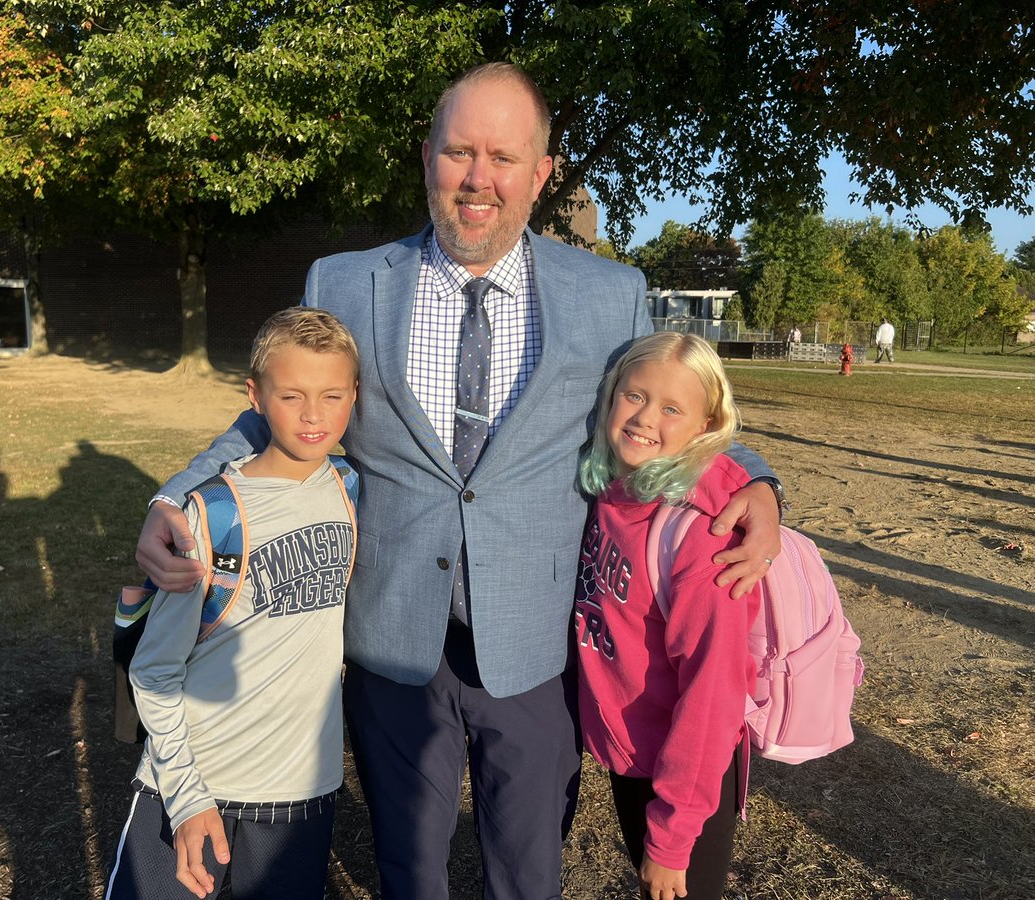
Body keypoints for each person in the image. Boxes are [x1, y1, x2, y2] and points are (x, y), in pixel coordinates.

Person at [136, 63, 784, 899]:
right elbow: (279, 412)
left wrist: (758, 482)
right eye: (460, 153)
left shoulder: (609, 294)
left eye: (504, 158)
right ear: (427, 157)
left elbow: (674, 409)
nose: (480, 179)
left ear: (541, 174)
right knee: (410, 868)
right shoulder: (343, 283)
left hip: (537, 644)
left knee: (527, 869)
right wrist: (176, 494)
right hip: (392, 633)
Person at [107, 308, 360, 900]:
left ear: (355, 396)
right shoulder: (210, 514)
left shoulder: (350, 488)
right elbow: (154, 670)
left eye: (332, 396)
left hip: (302, 790)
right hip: (194, 785)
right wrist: (186, 796)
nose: (314, 415)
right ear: (255, 397)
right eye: (291, 396)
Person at [575, 333, 759, 900]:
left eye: (672, 408)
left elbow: (712, 698)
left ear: (706, 427)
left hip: (685, 770)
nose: (645, 418)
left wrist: (674, 838)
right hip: (633, 751)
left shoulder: (704, 542)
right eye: (634, 396)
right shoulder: (613, 492)